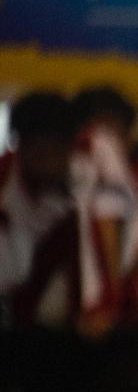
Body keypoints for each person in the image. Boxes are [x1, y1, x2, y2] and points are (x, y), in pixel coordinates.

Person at [72, 85, 138, 332]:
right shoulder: (66, 176)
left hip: (119, 305)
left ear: (128, 137)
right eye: (94, 131)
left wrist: (108, 301)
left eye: (111, 131)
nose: (102, 141)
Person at [1, 91, 85, 330]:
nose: (49, 162)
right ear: (22, 147)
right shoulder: (5, 186)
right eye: (40, 153)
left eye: (56, 152)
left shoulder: (84, 194)